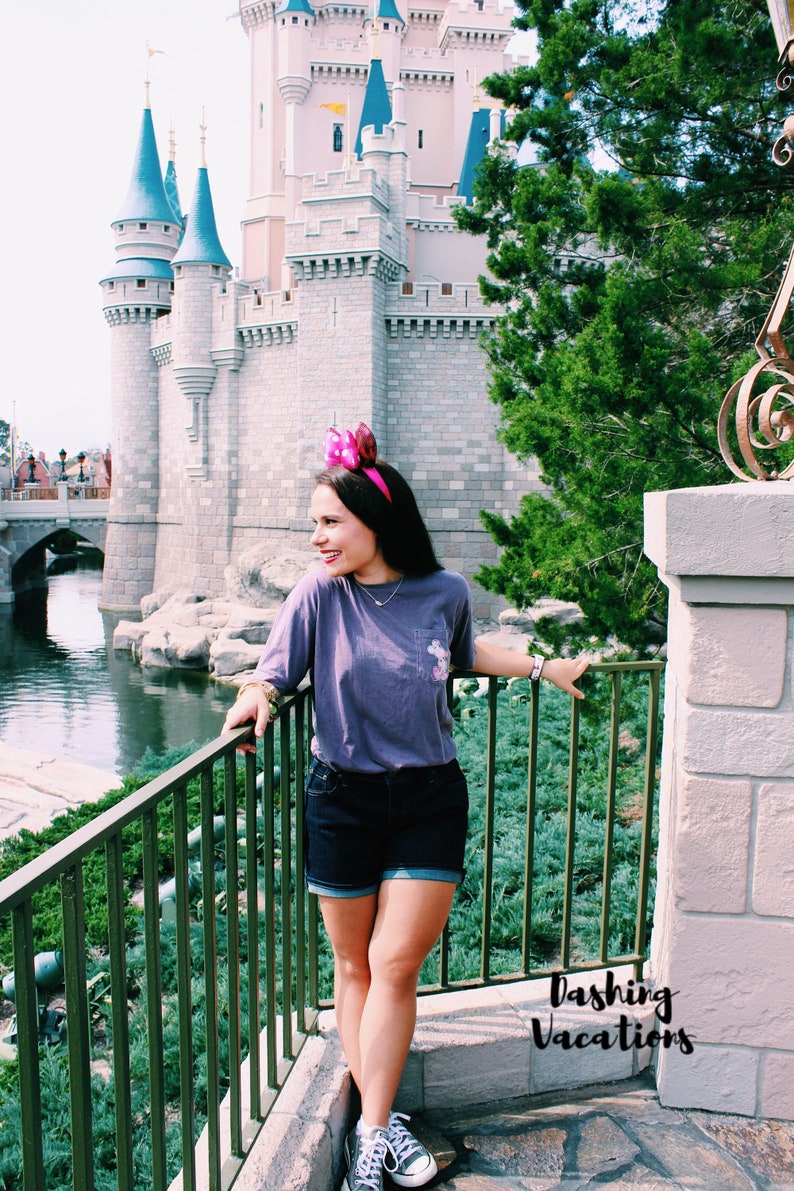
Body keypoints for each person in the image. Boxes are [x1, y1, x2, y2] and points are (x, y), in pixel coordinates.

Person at [222, 424, 588, 1191]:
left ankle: (372, 1133)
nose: (317, 537)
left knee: (394, 964)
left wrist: (542, 666)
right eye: (314, 522)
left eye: (330, 521)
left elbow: (463, 651)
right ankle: (379, 1127)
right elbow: (273, 671)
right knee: (354, 965)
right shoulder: (318, 595)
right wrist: (255, 696)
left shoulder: (443, 591)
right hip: (341, 799)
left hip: (428, 798)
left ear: (376, 521)